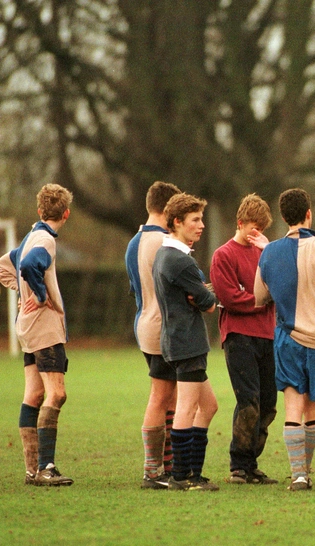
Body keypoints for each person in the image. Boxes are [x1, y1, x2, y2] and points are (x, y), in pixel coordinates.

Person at [254, 188, 315, 491]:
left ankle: (298, 476)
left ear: (283, 217)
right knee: (313, 410)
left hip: (288, 338)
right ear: (309, 213)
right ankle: (305, 468)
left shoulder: (269, 251)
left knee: (292, 406)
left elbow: (259, 297)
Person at [0, 184, 74, 486]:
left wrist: (23, 289)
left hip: (26, 326)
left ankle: (32, 470)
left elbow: (6, 266)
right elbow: (31, 265)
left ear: (40, 211)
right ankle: (46, 467)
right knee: (57, 393)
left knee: (34, 393)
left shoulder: (31, 235)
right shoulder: (45, 240)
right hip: (44, 326)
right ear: (66, 214)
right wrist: (40, 294)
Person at [209, 194, 278, 485]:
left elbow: (280, 287)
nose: (258, 233)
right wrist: (262, 301)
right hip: (238, 336)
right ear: (240, 223)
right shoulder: (223, 255)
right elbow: (230, 297)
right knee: (248, 401)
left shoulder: (266, 254)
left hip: (268, 335)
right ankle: (239, 464)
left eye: (263, 228)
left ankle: (251, 463)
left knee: (269, 403)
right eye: (254, 227)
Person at [153, 193, 219, 491]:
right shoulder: (179, 261)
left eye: (202, 219)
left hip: (179, 341)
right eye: (195, 220)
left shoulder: (167, 256)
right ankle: (180, 476)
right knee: (187, 407)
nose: (201, 225)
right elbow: (207, 302)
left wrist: (204, 294)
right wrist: (208, 295)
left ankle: (193, 472)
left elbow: (202, 297)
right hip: (186, 342)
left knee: (209, 406)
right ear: (177, 222)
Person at [125, 180, 181, 489]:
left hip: (143, 321)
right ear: (169, 209)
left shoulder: (135, 241)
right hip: (161, 325)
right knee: (160, 396)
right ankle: (153, 471)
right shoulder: (162, 242)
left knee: (168, 396)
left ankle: (166, 467)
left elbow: (135, 288)